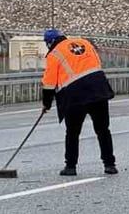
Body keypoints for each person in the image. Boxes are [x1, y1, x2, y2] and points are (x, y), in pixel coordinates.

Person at [40, 28, 117, 176]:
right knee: (103, 130)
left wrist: (47, 104)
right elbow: (96, 64)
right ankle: (110, 164)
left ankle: (70, 167)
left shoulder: (54, 53)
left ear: (49, 43)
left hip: (75, 96)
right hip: (98, 90)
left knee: (73, 133)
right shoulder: (85, 43)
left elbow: (49, 83)